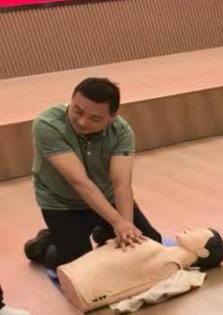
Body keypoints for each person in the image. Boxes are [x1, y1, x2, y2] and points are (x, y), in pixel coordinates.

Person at [22, 78, 162, 269]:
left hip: (106, 197)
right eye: (77, 111)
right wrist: (117, 222)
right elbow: (79, 181)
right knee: (79, 266)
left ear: (112, 116)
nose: (82, 122)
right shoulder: (48, 124)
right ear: (71, 100)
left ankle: (104, 231)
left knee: (151, 245)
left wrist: (126, 227)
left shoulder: (121, 131)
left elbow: (121, 183)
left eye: (95, 118)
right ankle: (45, 244)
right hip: (63, 203)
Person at [57, 227, 223, 313]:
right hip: (77, 271)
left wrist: (100, 299)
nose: (192, 228)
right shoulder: (166, 254)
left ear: (203, 252)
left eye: (201, 232)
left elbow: (137, 290)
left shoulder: (171, 267)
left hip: (82, 286)